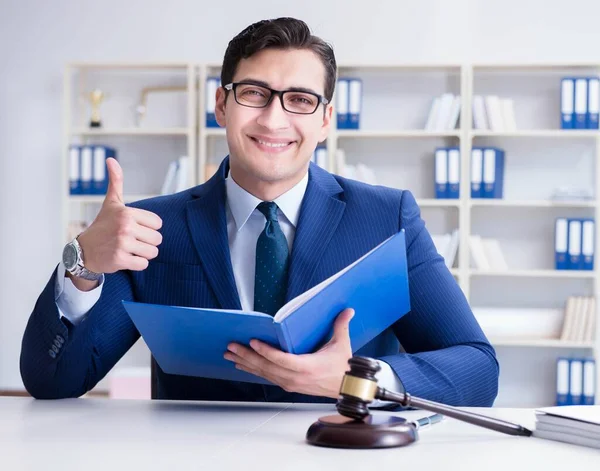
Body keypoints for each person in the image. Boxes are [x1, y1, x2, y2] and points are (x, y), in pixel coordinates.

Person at [20, 17, 499, 405]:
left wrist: (359, 378)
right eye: (253, 93)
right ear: (221, 105)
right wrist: (81, 261)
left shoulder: (386, 218)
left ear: (326, 119)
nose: (274, 118)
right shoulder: (151, 228)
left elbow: (478, 368)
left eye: (300, 100)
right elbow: (54, 381)